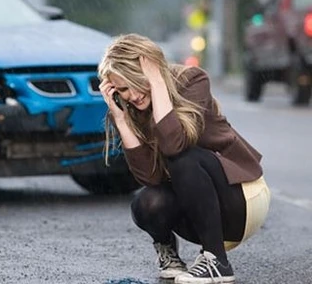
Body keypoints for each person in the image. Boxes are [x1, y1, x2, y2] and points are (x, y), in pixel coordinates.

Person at [97, 34, 270, 284]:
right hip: (199, 214)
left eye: (136, 82)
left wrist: (156, 83)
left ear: (151, 70)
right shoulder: (131, 109)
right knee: (145, 202)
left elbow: (174, 145)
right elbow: (150, 177)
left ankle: (217, 262)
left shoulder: (192, 80)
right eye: (123, 89)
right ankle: (169, 252)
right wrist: (122, 120)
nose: (132, 95)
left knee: (184, 160)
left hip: (242, 199)